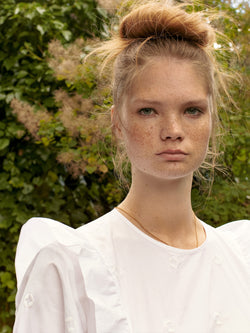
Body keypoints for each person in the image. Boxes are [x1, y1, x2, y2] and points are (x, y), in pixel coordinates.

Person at [13, 1, 250, 332]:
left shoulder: (242, 260)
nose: (173, 130)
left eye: (192, 110)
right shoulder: (71, 265)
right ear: (117, 122)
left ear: (213, 119)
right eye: (148, 111)